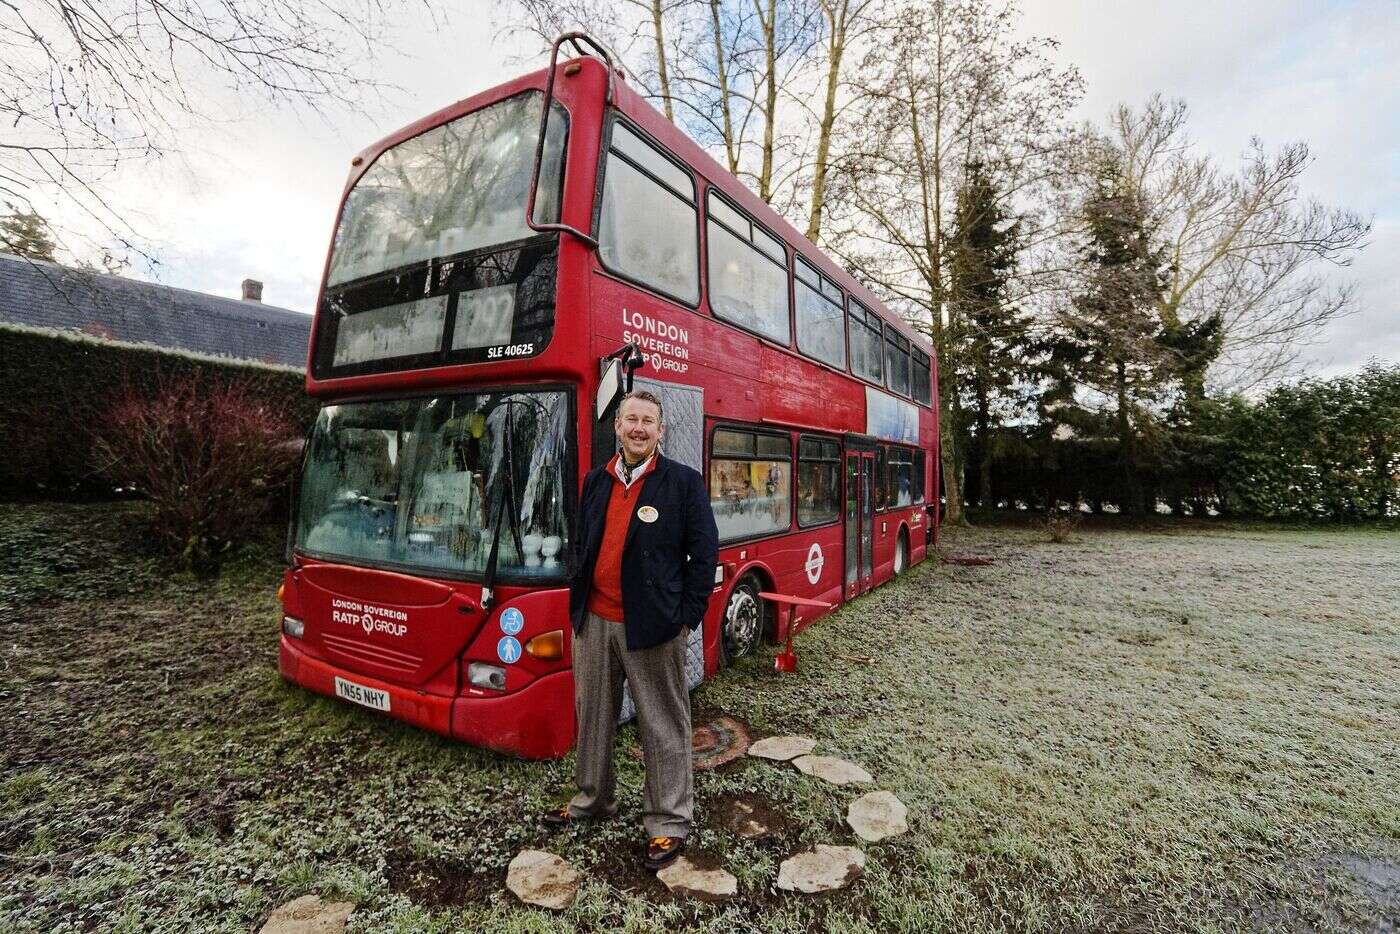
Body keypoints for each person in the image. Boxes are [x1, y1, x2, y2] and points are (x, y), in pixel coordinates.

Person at [542, 390, 718, 872]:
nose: (639, 428)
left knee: (662, 721)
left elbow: (704, 558)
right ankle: (593, 799)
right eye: (631, 419)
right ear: (616, 427)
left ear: (662, 431)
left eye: (649, 421)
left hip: (653, 625)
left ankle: (667, 822)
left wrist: (686, 617)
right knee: (593, 713)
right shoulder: (597, 480)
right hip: (594, 621)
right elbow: (583, 539)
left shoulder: (683, 483)